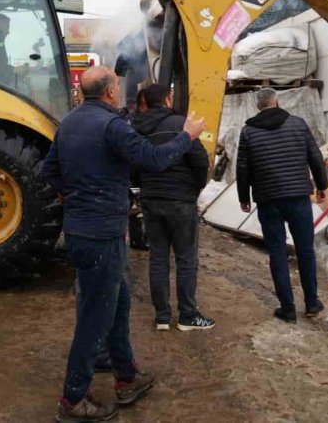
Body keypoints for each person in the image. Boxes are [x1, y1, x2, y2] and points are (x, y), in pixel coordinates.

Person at [42, 65, 205, 423]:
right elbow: (153, 158)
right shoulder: (112, 125)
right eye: (117, 84)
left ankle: (127, 378)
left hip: (81, 231)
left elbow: (48, 171)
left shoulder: (68, 123)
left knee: (117, 304)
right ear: (111, 92)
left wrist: (77, 197)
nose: (119, 89)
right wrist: (187, 136)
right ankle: (72, 400)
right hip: (103, 234)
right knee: (95, 317)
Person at [236, 87, 328, 324]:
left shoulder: (248, 131)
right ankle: (311, 303)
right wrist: (321, 185)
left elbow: (243, 168)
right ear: (277, 102)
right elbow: (315, 157)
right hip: (298, 197)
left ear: (258, 106)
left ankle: (287, 308)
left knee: (277, 251)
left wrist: (243, 197)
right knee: (305, 249)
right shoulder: (298, 124)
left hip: (268, 200)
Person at [131, 84, 214, 332]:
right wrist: (195, 189)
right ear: (167, 100)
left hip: (151, 201)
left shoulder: (138, 129)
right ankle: (187, 315)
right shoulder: (182, 125)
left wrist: (145, 186)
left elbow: (134, 166)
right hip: (181, 201)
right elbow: (200, 161)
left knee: (158, 258)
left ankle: (162, 316)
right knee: (186, 259)